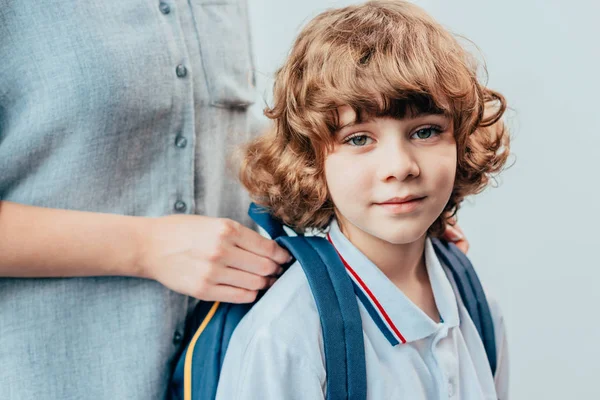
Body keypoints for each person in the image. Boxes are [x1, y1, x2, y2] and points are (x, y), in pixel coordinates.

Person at [0, 1, 469, 398]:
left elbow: (254, 144)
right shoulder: (282, 337)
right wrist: (145, 247)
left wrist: (395, 213)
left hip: (215, 361)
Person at [215, 1, 510, 399]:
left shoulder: (478, 307)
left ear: (460, 139)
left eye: (425, 132)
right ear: (311, 160)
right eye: (358, 139)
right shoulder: (286, 338)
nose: (400, 166)